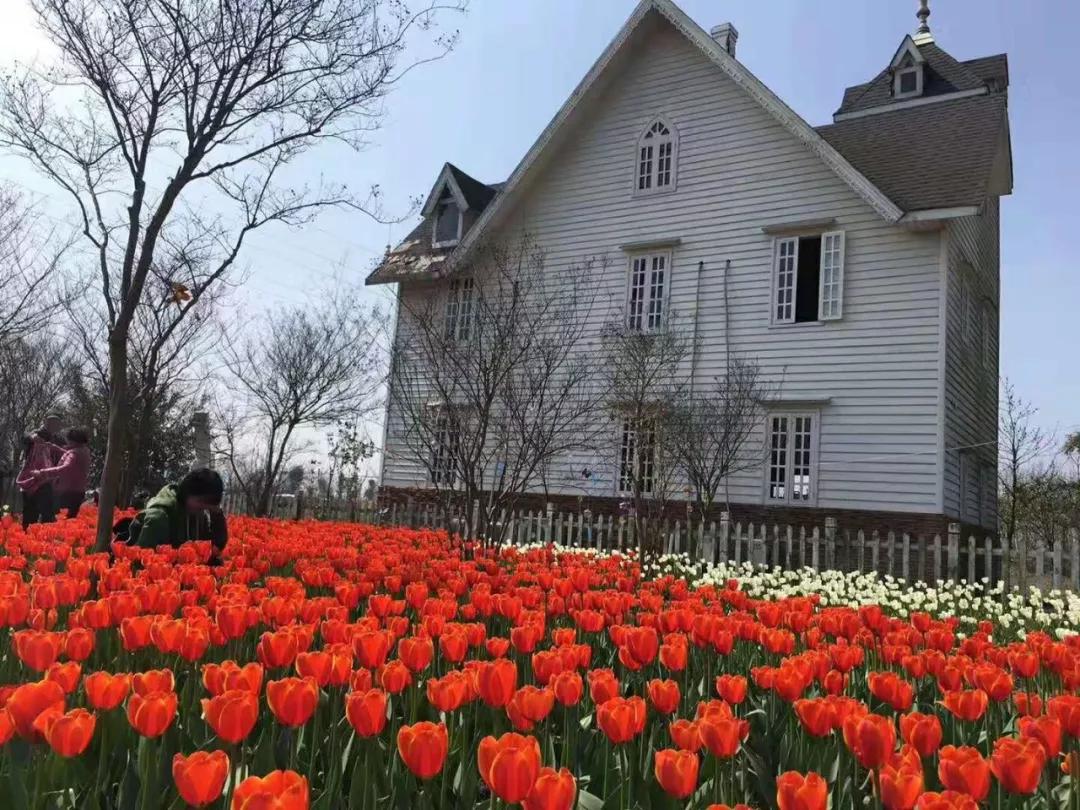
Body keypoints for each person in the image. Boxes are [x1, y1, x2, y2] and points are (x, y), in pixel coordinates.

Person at [123, 468, 228, 561]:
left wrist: (217, 514)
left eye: (208, 505)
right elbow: (141, 558)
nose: (203, 507)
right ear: (188, 492)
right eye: (201, 501)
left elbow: (216, 548)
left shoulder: (198, 515)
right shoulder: (159, 516)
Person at [29, 428, 91, 519]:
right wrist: (55, 448)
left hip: (67, 492)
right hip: (79, 490)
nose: (66, 441)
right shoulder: (84, 450)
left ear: (72, 440)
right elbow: (71, 455)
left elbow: (65, 468)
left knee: (61, 519)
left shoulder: (73, 453)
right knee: (71, 519)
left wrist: (41, 472)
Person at [16, 415, 64, 529]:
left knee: (48, 513)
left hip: (48, 479)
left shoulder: (58, 439)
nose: (54, 426)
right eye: (52, 423)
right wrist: (32, 437)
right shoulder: (36, 433)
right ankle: (28, 536)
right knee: (30, 513)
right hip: (32, 478)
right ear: (45, 422)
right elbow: (24, 439)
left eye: (57, 424)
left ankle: (45, 536)